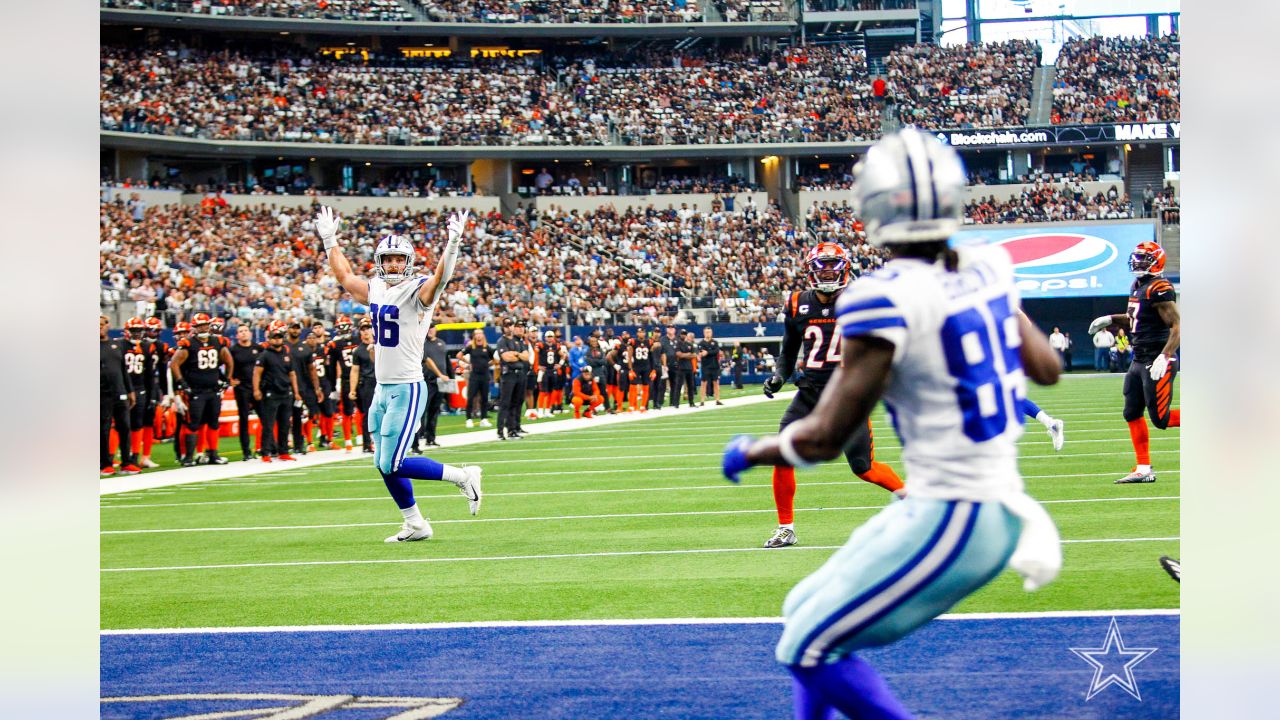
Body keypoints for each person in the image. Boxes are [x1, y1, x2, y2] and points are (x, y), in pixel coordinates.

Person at [722, 128, 1064, 720]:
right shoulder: (988, 265)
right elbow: (1048, 368)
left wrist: (753, 451)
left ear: (875, 208)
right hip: (965, 498)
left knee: (807, 649)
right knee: (802, 608)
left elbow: (826, 438)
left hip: (960, 509)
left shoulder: (883, 295)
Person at [316, 205, 482, 543]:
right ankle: (416, 524)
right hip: (382, 388)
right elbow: (345, 277)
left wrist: (452, 245)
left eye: (398, 259)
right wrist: (329, 239)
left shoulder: (418, 289)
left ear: (408, 263)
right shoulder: (376, 287)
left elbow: (440, 279)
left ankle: (463, 475)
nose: (393, 264)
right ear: (380, 261)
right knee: (383, 461)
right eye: (388, 258)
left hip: (407, 386)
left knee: (393, 461)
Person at [758, 242, 906, 549]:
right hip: (810, 393)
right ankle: (786, 527)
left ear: (844, 269)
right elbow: (789, 347)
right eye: (821, 266)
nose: (826, 272)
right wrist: (779, 376)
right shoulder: (799, 302)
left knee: (864, 468)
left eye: (832, 266)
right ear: (811, 271)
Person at [1087, 241, 1181, 484]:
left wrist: (1165, 355)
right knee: (1131, 412)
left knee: (1161, 419)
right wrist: (1109, 319)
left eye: (1144, 258)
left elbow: (1178, 326)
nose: (1138, 262)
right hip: (1139, 359)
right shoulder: (1138, 285)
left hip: (1156, 359)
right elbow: (1135, 319)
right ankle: (1143, 468)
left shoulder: (1159, 288)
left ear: (1156, 262)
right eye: (1137, 257)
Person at [169, 312, 234, 466]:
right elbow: (174, 363)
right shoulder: (189, 343)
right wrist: (182, 382)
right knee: (193, 423)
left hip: (213, 389)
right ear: (195, 327)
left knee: (213, 423)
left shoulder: (217, 341)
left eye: (205, 324)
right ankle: (190, 457)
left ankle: (213, 454)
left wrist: (227, 379)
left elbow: (229, 360)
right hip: (196, 390)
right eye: (199, 325)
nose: (203, 327)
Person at [254, 320, 299, 462]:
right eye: (274, 337)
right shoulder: (265, 354)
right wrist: (256, 389)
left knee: (285, 424)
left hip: (285, 392)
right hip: (271, 393)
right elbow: (257, 373)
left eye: (279, 337)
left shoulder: (286, 353)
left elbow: (292, 373)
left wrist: (296, 392)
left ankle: (283, 451)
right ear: (269, 338)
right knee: (268, 424)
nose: (277, 339)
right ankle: (266, 452)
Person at [101, 316, 139, 476]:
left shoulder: (116, 345)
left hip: (120, 392)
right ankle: (105, 463)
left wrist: (130, 391)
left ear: (108, 326)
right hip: (102, 394)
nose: (99, 328)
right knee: (103, 429)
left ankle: (127, 462)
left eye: (102, 325)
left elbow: (123, 370)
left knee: (124, 427)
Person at [121, 317, 157, 469]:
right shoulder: (119, 345)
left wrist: (152, 396)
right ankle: (113, 456)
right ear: (127, 331)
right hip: (122, 388)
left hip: (140, 389)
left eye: (138, 331)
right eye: (133, 331)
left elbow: (150, 374)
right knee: (119, 424)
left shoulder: (147, 347)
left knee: (137, 424)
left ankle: (135, 455)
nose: (136, 334)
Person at [325, 315, 360, 452]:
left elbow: (331, 369)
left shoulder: (339, 343)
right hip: (349, 378)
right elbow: (331, 368)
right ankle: (350, 440)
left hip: (359, 378)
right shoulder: (336, 344)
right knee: (348, 410)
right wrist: (333, 387)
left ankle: (358, 438)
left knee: (363, 409)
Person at [229, 323, 264, 461]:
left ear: (250, 333)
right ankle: (246, 451)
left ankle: (266, 447)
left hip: (257, 387)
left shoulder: (258, 348)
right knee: (243, 419)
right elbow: (225, 363)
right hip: (242, 387)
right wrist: (229, 379)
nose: (243, 333)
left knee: (265, 418)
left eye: (245, 330)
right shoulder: (233, 350)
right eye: (240, 331)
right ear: (237, 335)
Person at [415, 325, 452, 450]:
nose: (430, 330)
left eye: (432, 328)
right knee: (422, 410)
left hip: (441, 381)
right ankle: (419, 436)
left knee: (435, 410)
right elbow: (427, 361)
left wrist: (449, 377)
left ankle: (431, 438)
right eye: (428, 328)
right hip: (427, 380)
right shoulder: (422, 344)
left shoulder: (441, 343)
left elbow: (446, 362)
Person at [496, 320, 531, 440]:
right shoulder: (502, 341)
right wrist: (518, 355)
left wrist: (515, 354)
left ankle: (513, 429)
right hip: (508, 375)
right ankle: (500, 431)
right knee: (505, 403)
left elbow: (526, 357)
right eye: (506, 326)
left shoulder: (517, 341)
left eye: (510, 325)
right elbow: (506, 358)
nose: (508, 328)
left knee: (516, 402)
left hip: (519, 374)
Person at [350, 320, 377, 453]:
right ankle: (367, 443)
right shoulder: (358, 350)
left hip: (382, 382)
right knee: (369, 414)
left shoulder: (380, 344)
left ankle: (382, 441)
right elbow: (355, 371)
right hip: (367, 383)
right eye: (363, 329)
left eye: (368, 328)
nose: (366, 331)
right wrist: (352, 389)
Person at [458, 329, 493, 429]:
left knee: (484, 398)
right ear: (474, 336)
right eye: (476, 334)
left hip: (485, 375)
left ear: (483, 335)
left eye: (480, 333)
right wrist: (468, 363)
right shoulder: (471, 347)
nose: (478, 336)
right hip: (474, 376)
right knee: (471, 397)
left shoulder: (487, 347)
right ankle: (469, 419)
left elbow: (495, 359)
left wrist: (488, 364)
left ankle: (484, 419)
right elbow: (459, 355)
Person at [697, 326, 724, 406]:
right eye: (706, 332)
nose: (708, 333)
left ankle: (717, 400)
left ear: (711, 333)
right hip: (705, 366)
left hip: (715, 365)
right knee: (703, 383)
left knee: (716, 382)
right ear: (704, 333)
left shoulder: (715, 342)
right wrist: (709, 352)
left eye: (709, 332)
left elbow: (716, 351)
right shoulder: (701, 343)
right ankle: (702, 401)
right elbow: (701, 352)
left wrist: (708, 352)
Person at [674, 329, 697, 408]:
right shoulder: (678, 344)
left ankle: (691, 402)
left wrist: (685, 355)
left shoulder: (689, 344)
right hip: (681, 367)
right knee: (678, 386)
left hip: (689, 367)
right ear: (679, 335)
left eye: (684, 334)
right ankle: (676, 403)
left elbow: (694, 355)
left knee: (691, 386)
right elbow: (678, 354)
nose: (683, 335)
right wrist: (687, 354)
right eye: (682, 334)